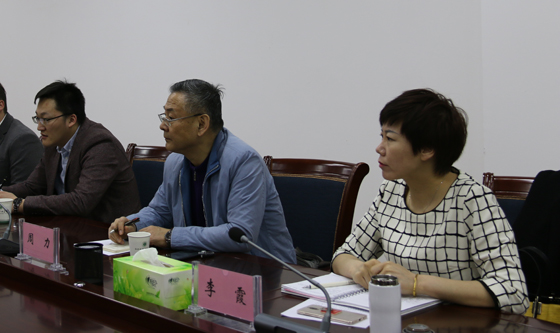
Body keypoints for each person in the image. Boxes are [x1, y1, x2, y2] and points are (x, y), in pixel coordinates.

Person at [332, 88, 528, 313]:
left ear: (426, 149)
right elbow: (343, 256)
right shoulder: (391, 191)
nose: (380, 148)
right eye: (381, 136)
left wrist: (417, 284)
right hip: (404, 320)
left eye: (390, 138)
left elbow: (513, 291)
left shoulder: (472, 200)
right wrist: (358, 269)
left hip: (458, 323)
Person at [109, 79, 296, 263]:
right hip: (204, 265)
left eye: (171, 118)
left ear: (201, 124)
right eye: (164, 117)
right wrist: (132, 224)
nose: (162, 125)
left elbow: (240, 235)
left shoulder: (244, 162)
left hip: (266, 271)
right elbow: (160, 211)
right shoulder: (175, 162)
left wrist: (169, 236)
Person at [0, 81, 140, 224]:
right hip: (69, 227)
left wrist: (19, 204)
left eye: (46, 119)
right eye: (37, 118)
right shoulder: (53, 142)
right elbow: (33, 186)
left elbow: (81, 201)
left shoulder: (100, 144)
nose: (39, 127)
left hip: (107, 233)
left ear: (71, 120)